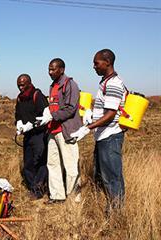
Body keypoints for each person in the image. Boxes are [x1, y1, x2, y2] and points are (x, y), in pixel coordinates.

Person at [71, 49, 127, 214]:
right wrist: (90, 116)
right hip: (103, 136)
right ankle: (103, 206)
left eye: (96, 63)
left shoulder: (114, 83)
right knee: (101, 174)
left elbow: (110, 115)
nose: (93, 66)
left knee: (112, 177)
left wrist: (87, 128)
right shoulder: (105, 82)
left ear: (107, 62)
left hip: (111, 136)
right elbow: (105, 110)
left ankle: (116, 214)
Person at [36, 58, 82, 204]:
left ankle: (74, 198)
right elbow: (54, 105)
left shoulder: (70, 84)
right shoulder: (53, 86)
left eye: (53, 69)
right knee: (53, 164)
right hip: (53, 130)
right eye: (49, 69)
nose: (50, 72)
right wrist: (47, 114)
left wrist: (52, 115)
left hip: (66, 129)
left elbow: (70, 108)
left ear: (61, 69)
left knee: (70, 165)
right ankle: (57, 196)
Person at [15, 74, 48, 200]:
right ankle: (32, 187)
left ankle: (38, 189)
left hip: (39, 135)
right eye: (19, 85)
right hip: (27, 135)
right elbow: (17, 114)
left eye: (23, 84)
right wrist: (18, 124)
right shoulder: (20, 98)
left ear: (29, 83)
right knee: (28, 163)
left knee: (39, 161)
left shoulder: (37, 95)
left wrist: (32, 125)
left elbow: (45, 116)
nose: (21, 87)